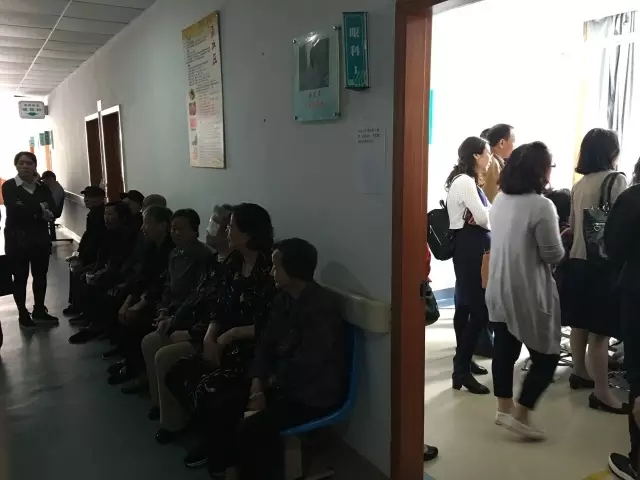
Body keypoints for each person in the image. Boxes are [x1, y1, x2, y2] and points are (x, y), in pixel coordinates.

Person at [161, 203, 275, 466]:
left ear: (249, 233)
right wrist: (210, 336)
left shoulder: (271, 267)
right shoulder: (233, 262)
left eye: (231, 227)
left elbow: (271, 325)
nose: (226, 232)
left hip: (254, 348)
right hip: (225, 341)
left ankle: (221, 450)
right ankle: (209, 433)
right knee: (177, 374)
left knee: (214, 393)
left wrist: (228, 336)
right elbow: (220, 306)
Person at [486, 142, 564, 440]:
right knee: (547, 355)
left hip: (498, 286)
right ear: (540, 171)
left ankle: (503, 408)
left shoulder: (500, 200)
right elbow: (553, 254)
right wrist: (565, 239)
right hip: (527, 291)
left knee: (504, 349)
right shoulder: (542, 206)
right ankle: (521, 414)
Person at [566, 128, 628, 413]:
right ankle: (602, 393)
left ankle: (579, 372)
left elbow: (572, 225)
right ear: (610, 152)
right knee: (600, 332)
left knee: (579, 323)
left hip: (577, 262)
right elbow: (624, 221)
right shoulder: (616, 180)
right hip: (601, 265)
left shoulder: (579, 185)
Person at [137, 208, 213, 436]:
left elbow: (196, 297)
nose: (175, 233)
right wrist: (163, 310)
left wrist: (173, 319)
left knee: (163, 353)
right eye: (173, 228)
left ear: (195, 231)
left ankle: (174, 421)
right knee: (149, 342)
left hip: (190, 319)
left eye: (181, 229)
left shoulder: (204, 257)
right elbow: (169, 287)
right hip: (174, 314)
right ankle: (158, 403)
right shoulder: (175, 253)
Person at [108, 206, 176, 386]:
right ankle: (130, 362)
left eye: (147, 223)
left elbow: (162, 285)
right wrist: (129, 301)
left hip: (160, 301)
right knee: (120, 304)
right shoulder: (151, 246)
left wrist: (139, 304)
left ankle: (142, 372)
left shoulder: (171, 250)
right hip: (148, 295)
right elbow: (141, 278)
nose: (142, 228)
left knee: (137, 319)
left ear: (162, 226)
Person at [445, 137, 492, 394]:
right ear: (476, 155)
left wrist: (486, 215)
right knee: (479, 310)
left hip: (469, 247)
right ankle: (461, 369)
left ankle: (462, 362)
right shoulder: (464, 181)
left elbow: (485, 215)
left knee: (465, 307)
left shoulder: (466, 181)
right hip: (471, 248)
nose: (490, 158)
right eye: (487, 153)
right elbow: (485, 217)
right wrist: (486, 216)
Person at [605, 181, 640, 479]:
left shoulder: (632, 198)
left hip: (637, 290)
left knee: (638, 379)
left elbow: (613, 248)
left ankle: (637, 463)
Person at [2, 152, 58, 327]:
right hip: (17, 240)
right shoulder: (9, 186)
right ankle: (22, 313)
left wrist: (31, 208)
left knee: (40, 276)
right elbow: (14, 209)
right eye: (21, 163)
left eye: (29, 163)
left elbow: (53, 208)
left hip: (40, 239)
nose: (25, 166)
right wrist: (40, 210)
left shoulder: (42, 187)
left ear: (35, 166)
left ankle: (39, 310)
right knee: (20, 277)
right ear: (16, 165)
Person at [64, 186, 106, 316]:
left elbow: (97, 241)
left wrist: (83, 257)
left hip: (97, 256)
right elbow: (87, 236)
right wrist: (79, 253)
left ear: (100, 199)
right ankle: (75, 304)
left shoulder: (102, 215)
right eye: (86, 196)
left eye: (90, 197)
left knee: (78, 271)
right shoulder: (93, 214)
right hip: (90, 254)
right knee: (74, 267)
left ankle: (79, 307)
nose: (86, 199)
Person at [482, 124, 516, 203]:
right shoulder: (493, 164)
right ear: (501, 143)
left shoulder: (496, 162)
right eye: (513, 142)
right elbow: (492, 199)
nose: (515, 146)